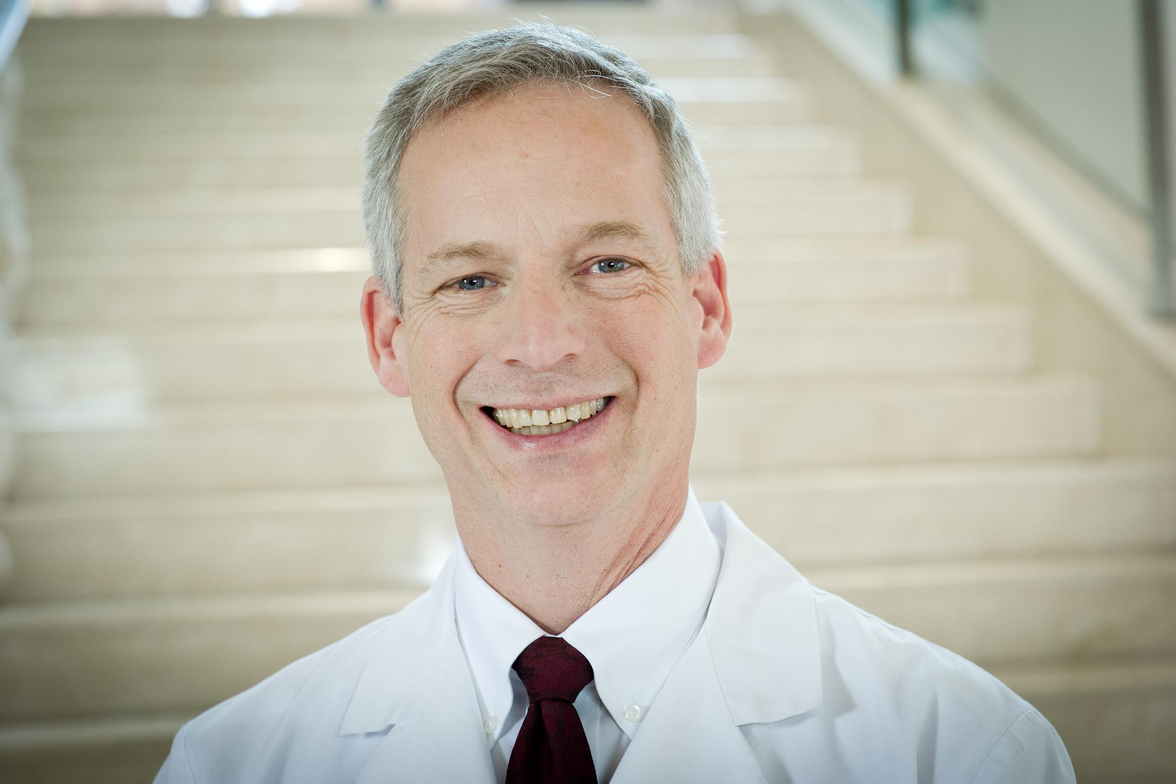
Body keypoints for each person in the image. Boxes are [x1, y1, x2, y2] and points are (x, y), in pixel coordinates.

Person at [153, 22, 1075, 784]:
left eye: (607, 264)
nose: (544, 342)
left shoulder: (963, 752)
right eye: (472, 280)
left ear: (705, 307)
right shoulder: (232, 764)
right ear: (389, 339)